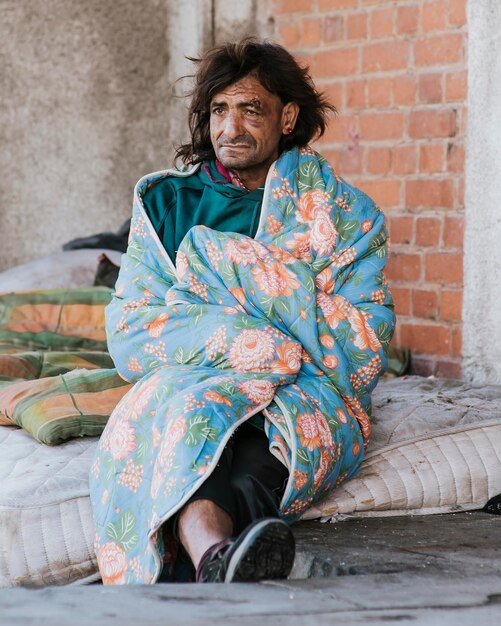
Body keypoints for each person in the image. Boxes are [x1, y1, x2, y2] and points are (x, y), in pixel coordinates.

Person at [89, 38, 395, 585]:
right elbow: (133, 329)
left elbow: (364, 344)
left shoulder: (345, 215)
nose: (230, 128)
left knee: (257, 462)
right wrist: (262, 342)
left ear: (288, 116)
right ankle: (219, 561)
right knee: (193, 429)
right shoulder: (166, 205)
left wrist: (228, 276)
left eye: (250, 109)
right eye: (218, 110)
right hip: (193, 383)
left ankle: (214, 567)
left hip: (304, 392)